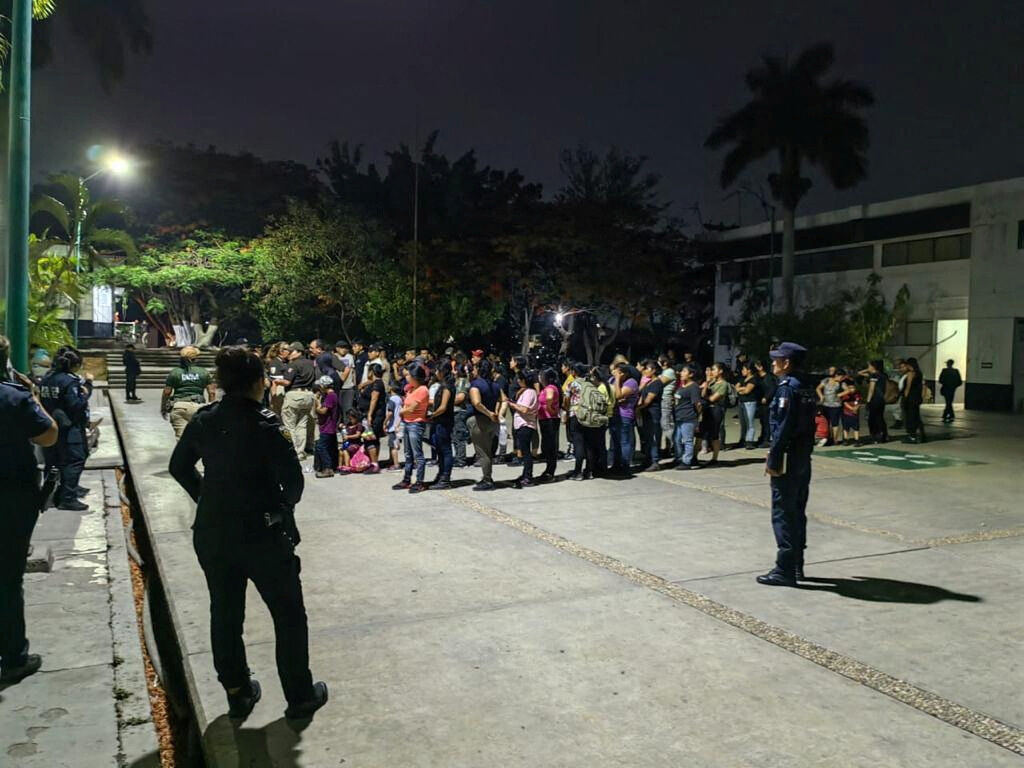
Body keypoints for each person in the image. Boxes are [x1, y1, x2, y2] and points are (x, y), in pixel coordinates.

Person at [168, 346, 328, 721]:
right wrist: (278, 508)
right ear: (259, 382)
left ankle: (237, 691)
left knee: (224, 612)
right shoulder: (267, 425)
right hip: (263, 532)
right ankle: (299, 695)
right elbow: (293, 486)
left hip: (214, 531)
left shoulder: (205, 420)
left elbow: (179, 467)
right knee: (288, 614)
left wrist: (207, 497)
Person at [0, 336, 58, 684]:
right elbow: (48, 435)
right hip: (11, 496)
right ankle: (13, 656)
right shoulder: (13, 396)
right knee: (7, 577)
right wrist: (34, 397)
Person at [757, 342, 816, 588]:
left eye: (777, 359)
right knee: (797, 511)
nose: (773, 363)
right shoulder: (806, 387)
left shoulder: (787, 389)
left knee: (782, 512)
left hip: (788, 457)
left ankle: (785, 568)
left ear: (787, 363)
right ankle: (797, 564)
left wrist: (773, 458)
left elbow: (782, 428)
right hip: (803, 456)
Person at [39, 348, 94, 510]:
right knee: (75, 460)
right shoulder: (69, 381)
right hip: (69, 428)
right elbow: (76, 405)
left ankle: (62, 489)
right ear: (74, 365)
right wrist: (88, 387)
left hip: (50, 427)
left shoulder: (47, 378)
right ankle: (67, 497)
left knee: (54, 460)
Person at [161, 346, 214, 440]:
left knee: (182, 440)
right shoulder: (204, 372)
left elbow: (167, 392)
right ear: (196, 358)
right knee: (199, 439)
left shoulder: (175, 372)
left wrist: (163, 408)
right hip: (199, 408)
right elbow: (212, 392)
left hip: (179, 407)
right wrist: (211, 409)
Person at [393, 363, 430, 493]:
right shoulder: (411, 389)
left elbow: (412, 407)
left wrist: (402, 412)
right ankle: (407, 479)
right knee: (408, 454)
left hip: (416, 423)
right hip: (408, 423)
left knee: (417, 454)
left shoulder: (422, 390)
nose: (406, 377)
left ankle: (419, 481)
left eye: (408, 375)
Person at [466, 359, 502, 491]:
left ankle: (487, 479)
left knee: (483, 452)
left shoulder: (475, 385)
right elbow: (502, 399)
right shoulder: (495, 385)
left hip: (480, 420)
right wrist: (496, 412)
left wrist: (488, 413)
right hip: (491, 422)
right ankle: (487, 476)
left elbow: (476, 403)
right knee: (488, 450)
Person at [280, 343, 317, 460]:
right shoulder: (311, 363)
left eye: (291, 352)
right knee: (302, 425)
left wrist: (275, 381)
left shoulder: (294, 364)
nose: (288, 354)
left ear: (298, 352)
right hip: (308, 395)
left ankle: (293, 451)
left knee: (289, 425)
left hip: (295, 395)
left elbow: (287, 382)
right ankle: (300, 452)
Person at [507, 369, 539, 488]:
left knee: (526, 453)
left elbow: (524, 409)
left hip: (526, 425)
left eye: (520, 379)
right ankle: (525, 474)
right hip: (522, 424)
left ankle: (528, 476)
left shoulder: (530, 392)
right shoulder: (526, 391)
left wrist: (512, 404)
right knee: (525, 451)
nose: (518, 381)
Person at [428, 362, 455, 489]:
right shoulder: (442, 386)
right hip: (439, 421)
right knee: (439, 449)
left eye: (438, 371)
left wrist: (432, 415)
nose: (436, 373)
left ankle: (445, 478)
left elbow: (443, 407)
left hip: (443, 421)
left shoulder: (447, 387)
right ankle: (441, 474)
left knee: (445, 450)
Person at [609, 362, 639, 476]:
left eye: (618, 372)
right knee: (615, 442)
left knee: (624, 442)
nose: (614, 374)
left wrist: (617, 380)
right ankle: (615, 465)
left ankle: (625, 465)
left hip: (625, 415)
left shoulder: (631, 382)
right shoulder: (611, 380)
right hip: (613, 414)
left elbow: (618, 395)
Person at [636, 360, 665, 471]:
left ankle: (654, 460)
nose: (644, 371)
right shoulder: (648, 382)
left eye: (647, 369)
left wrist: (638, 408)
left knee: (653, 437)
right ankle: (647, 459)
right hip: (645, 413)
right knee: (647, 438)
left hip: (653, 413)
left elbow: (648, 400)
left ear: (653, 370)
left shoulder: (657, 383)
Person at [672, 365, 701, 469]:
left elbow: (697, 404)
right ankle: (679, 458)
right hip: (678, 416)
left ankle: (687, 461)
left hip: (688, 417)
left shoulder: (694, 387)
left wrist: (697, 418)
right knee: (676, 439)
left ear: (691, 374)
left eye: (684, 371)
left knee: (687, 440)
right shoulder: (681, 386)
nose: (681, 373)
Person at [312, 376, 339, 478]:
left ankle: (328, 469)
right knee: (330, 447)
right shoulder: (330, 395)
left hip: (328, 427)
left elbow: (323, 411)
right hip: (328, 426)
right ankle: (332, 466)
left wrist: (317, 404)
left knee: (321, 446)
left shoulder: (331, 396)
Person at [537, 368, 561, 480]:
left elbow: (549, 398)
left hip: (550, 419)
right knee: (547, 445)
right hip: (544, 419)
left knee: (551, 446)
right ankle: (548, 469)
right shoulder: (545, 388)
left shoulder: (551, 388)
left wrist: (550, 408)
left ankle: (550, 471)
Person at [901, 357, 927, 444]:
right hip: (917, 398)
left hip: (910, 398)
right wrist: (922, 397)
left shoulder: (911, 374)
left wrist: (905, 397)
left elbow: (908, 387)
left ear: (909, 365)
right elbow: (923, 386)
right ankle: (921, 434)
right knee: (916, 416)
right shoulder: (919, 373)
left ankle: (912, 436)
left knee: (910, 417)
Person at [736, 361, 762, 450]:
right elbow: (736, 388)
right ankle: (742, 439)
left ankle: (749, 441)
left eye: (744, 369)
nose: (742, 371)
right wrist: (742, 389)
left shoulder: (754, 379)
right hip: (741, 402)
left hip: (750, 402)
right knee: (743, 423)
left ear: (749, 370)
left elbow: (747, 391)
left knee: (750, 422)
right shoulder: (743, 379)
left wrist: (741, 389)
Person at [815, 366, 842, 447]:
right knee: (826, 422)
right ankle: (827, 438)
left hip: (836, 405)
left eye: (833, 370)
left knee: (835, 423)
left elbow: (848, 389)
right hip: (826, 404)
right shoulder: (826, 380)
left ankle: (835, 440)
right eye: (830, 370)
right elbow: (818, 388)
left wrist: (840, 394)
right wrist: (821, 396)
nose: (831, 372)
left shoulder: (840, 381)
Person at [864, 359, 889, 445]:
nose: (868, 368)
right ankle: (884, 435)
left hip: (875, 399)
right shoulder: (883, 375)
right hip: (881, 399)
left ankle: (875, 436)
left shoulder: (874, 376)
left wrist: (868, 401)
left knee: (873, 418)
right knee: (880, 417)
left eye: (869, 366)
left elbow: (871, 389)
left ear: (873, 367)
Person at [754, 360, 776, 447]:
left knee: (766, 421)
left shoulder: (768, 377)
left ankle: (766, 439)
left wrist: (766, 397)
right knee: (762, 421)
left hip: (767, 403)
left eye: (756, 366)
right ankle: (762, 438)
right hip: (760, 402)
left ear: (761, 367)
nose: (755, 368)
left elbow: (772, 389)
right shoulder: (759, 377)